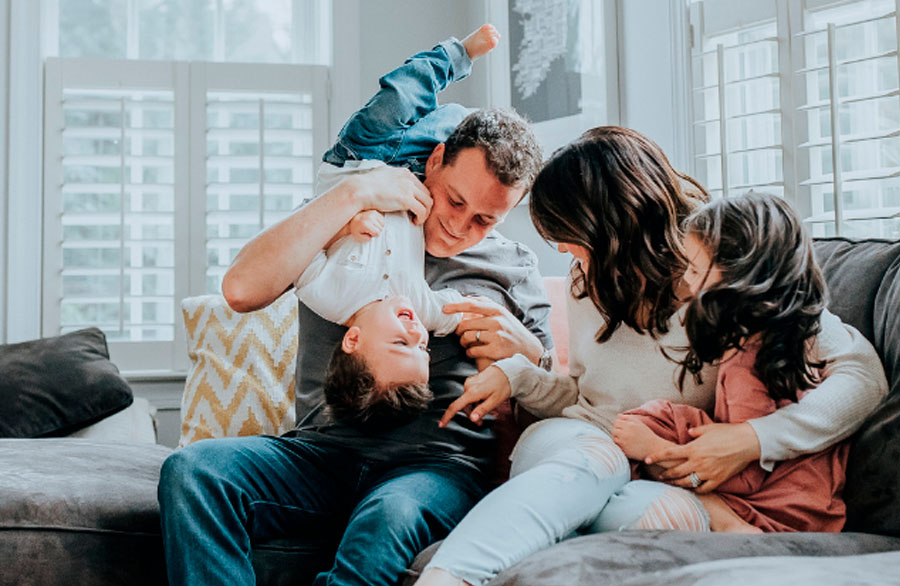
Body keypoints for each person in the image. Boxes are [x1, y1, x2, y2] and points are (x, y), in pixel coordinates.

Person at [158, 24, 554, 586]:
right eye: (455, 200)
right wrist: (355, 193)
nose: (458, 226)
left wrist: (529, 356)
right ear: (435, 160)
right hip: (322, 453)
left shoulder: (515, 270)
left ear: (510, 212)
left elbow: (556, 407)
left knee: (387, 516)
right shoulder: (354, 215)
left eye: (484, 219)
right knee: (193, 471)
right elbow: (240, 290)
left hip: (436, 467)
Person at [415, 127, 887, 586]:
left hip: (652, 473)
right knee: (597, 461)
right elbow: (582, 397)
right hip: (576, 442)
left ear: (612, 225)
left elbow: (864, 378)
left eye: (568, 232)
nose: (561, 248)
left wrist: (752, 439)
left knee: (640, 511)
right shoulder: (586, 280)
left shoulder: (720, 272)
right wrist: (521, 374)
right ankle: (447, 576)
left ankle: (516, 540)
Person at [612, 191, 850, 534]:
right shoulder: (786, 337)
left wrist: (655, 450)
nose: (686, 282)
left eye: (695, 269)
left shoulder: (747, 364)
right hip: (810, 500)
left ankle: (736, 530)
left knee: (652, 448)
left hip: (783, 510)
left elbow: (746, 476)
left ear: (738, 276)